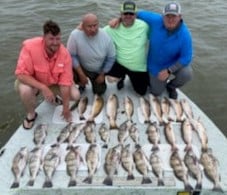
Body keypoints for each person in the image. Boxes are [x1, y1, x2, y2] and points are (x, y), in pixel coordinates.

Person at [15, 20, 80, 129]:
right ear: (44, 37)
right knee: (25, 90)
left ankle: (54, 97)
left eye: (58, 39)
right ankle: (31, 114)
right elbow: (21, 75)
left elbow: (65, 83)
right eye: (51, 39)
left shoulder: (64, 54)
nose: (55, 42)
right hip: (33, 82)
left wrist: (65, 108)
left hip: (53, 82)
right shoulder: (30, 47)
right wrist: (43, 87)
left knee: (75, 95)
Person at [137, 2, 193, 99]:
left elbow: (187, 57)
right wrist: (118, 19)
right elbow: (136, 13)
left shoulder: (185, 35)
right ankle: (151, 77)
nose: (170, 19)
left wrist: (169, 70)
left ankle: (171, 87)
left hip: (171, 65)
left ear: (180, 17)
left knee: (187, 73)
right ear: (162, 16)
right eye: (167, 16)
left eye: (174, 16)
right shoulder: (156, 20)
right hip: (154, 65)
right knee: (156, 92)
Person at [105, 1, 149, 96]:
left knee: (142, 92)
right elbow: (95, 32)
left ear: (135, 15)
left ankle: (130, 77)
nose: (128, 16)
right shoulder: (112, 28)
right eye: (125, 13)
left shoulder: (144, 26)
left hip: (138, 67)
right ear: (121, 14)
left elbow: (159, 29)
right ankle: (121, 77)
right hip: (120, 63)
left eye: (131, 13)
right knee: (108, 77)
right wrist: (81, 26)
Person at [67, 13, 116, 95]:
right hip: (81, 67)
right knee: (68, 70)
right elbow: (72, 55)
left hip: (97, 70)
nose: (93, 29)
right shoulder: (75, 35)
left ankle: (95, 81)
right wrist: (81, 74)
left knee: (100, 92)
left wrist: (102, 74)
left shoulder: (106, 36)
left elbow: (111, 57)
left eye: (95, 25)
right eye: (89, 26)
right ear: (82, 26)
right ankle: (81, 84)